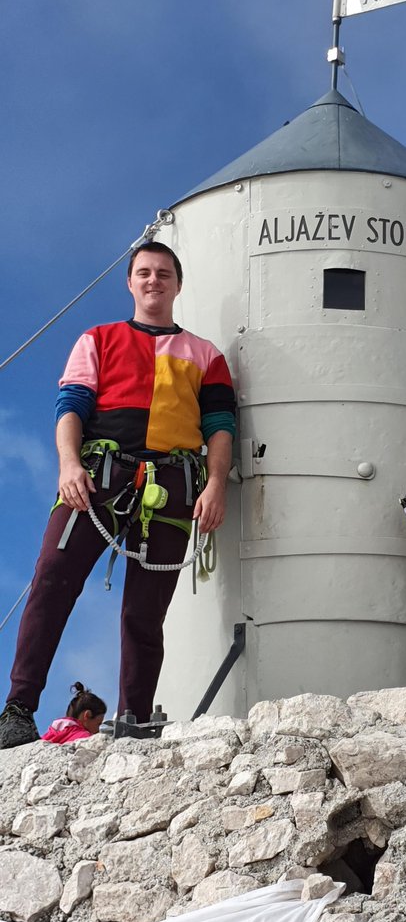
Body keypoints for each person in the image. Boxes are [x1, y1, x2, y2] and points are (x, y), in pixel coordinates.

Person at [0, 241, 236, 749]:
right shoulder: (98, 339)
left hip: (171, 490)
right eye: (145, 273)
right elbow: (71, 407)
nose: (154, 281)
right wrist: (68, 465)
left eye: (164, 273)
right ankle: (18, 709)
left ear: (178, 283)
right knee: (51, 582)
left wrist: (215, 484)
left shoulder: (206, 355)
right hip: (93, 480)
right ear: (130, 282)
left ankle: (134, 718)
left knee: (145, 613)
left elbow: (219, 427)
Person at [42, 682, 107, 743]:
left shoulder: (49, 734)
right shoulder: (84, 738)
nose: (99, 730)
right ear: (87, 715)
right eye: (99, 723)